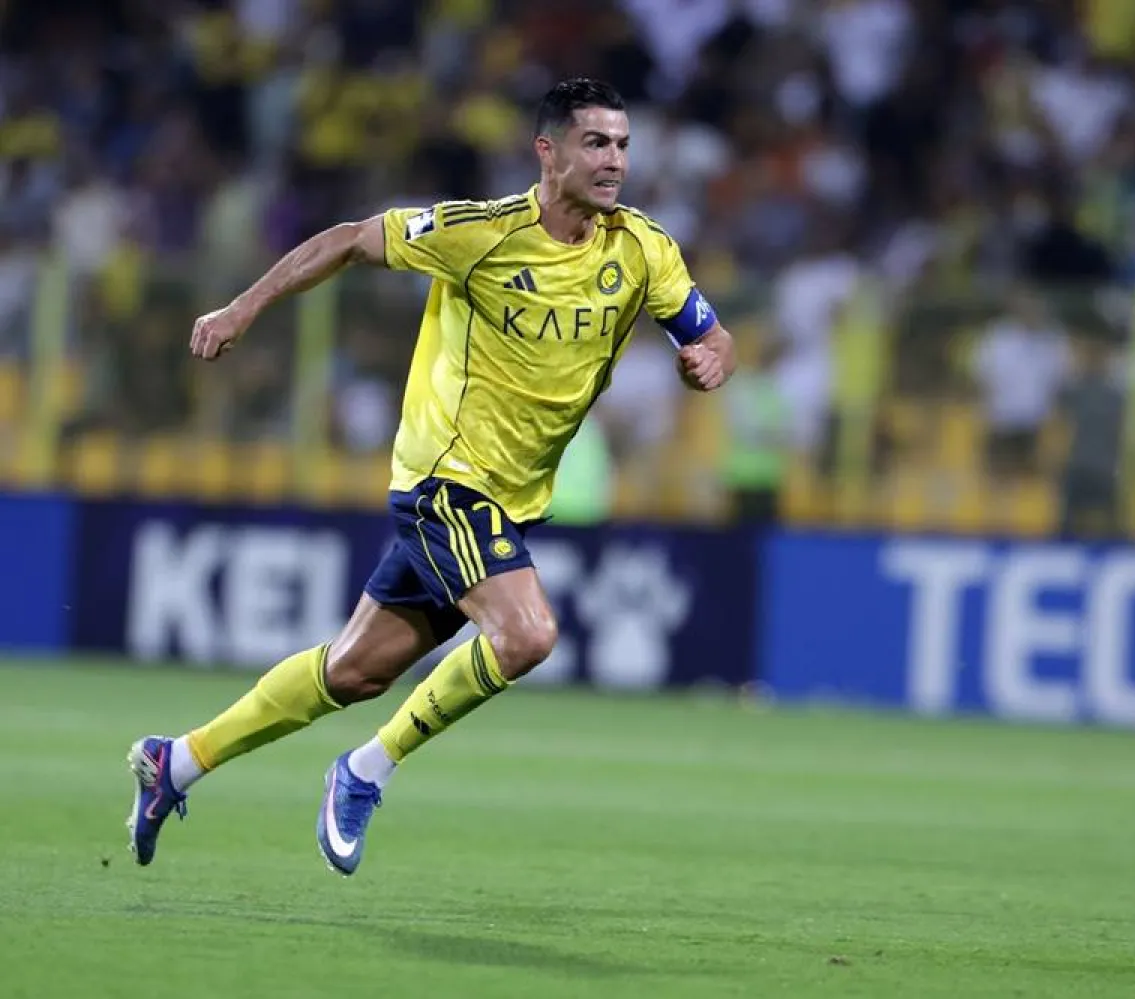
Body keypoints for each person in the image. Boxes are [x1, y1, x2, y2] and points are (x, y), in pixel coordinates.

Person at [125, 79, 736, 876]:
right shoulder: (481, 232)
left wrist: (708, 363)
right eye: (595, 142)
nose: (614, 159)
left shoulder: (643, 249)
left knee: (355, 669)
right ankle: (364, 771)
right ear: (546, 152)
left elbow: (712, 333)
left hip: (510, 502)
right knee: (527, 634)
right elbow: (348, 238)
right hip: (446, 479)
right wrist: (241, 309)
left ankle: (177, 761)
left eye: (622, 143)